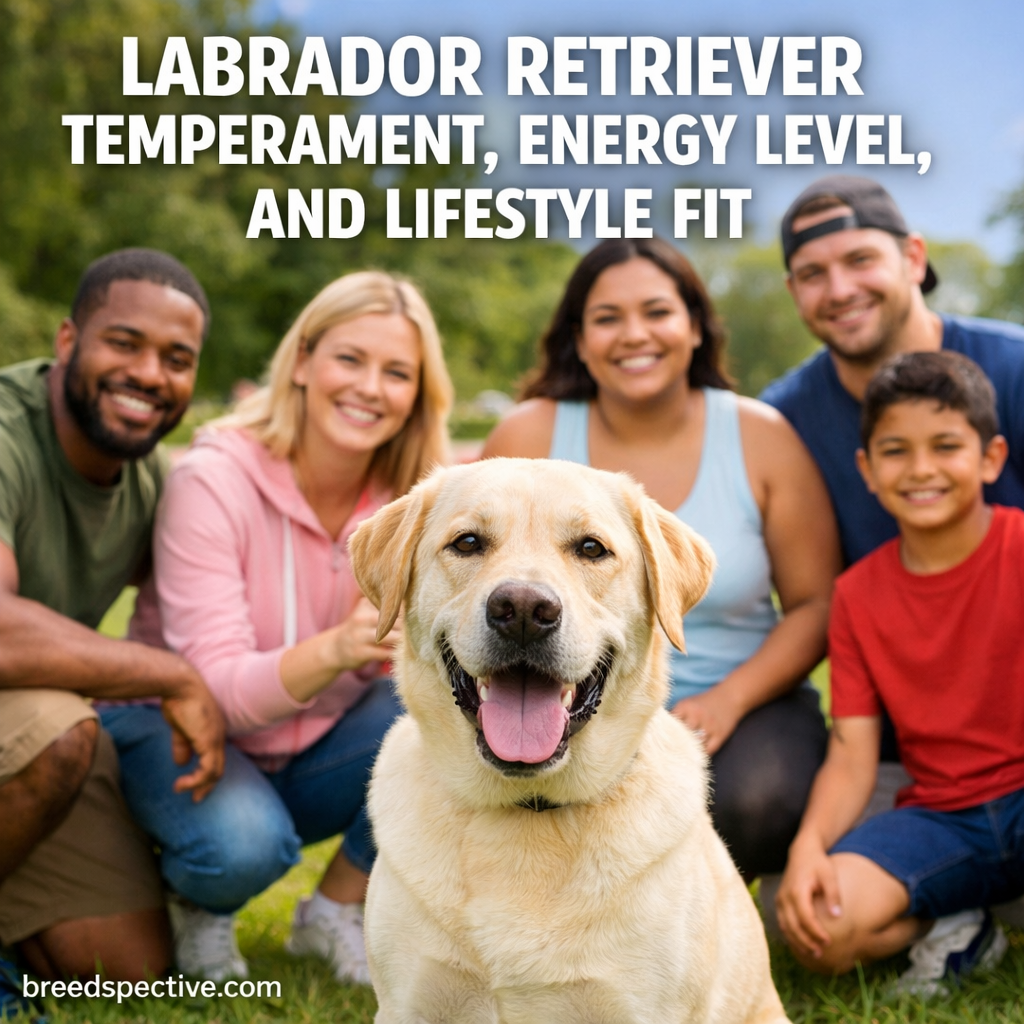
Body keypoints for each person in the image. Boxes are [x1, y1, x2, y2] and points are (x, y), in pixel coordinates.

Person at [99, 270, 454, 985]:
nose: (370, 388)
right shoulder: (213, 478)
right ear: (302, 362)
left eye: (397, 373)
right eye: (349, 360)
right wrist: (340, 647)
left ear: (418, 393)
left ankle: (333, 906)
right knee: (241, 848)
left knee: (452, 713)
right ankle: (199, 893)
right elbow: (218, 691)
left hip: (313, 742)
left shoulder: (418, 501)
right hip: (183, 733)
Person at [482, 237, 841, 881]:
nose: (633, 335)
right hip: (555, 683)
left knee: (752, 803)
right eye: (607, 318)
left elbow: (815, 604)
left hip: (741, 700)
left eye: (657, 311)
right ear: (580, 339)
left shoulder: (762, 438)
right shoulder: (527, 434)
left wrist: (729, 700)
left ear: (697, 326)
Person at [0, 250, 224, 1001]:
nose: (151, 375)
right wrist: (172, 675)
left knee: (124, 970)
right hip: (35, 715)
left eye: (177, 358)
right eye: (124, 343)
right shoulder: (7, 432)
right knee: (61, 727)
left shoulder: (153, 479)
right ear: (68, 342)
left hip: (26, 730)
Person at [776, 351, 1023, 995]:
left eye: (946, 446)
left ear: (991, 458)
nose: (921, 470)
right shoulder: (858, 595)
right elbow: (854, 754)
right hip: (944, 818)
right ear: (867, 470)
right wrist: (809, 846)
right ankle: (959, 927)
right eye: (896, 451)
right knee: (818, 930)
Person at [760, 173, 1024, 568]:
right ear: (793, 291)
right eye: (812, 274)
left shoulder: (1014, 368)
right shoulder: (780, 423)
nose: (840, 291)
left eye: (860, 260)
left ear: (913, 258)